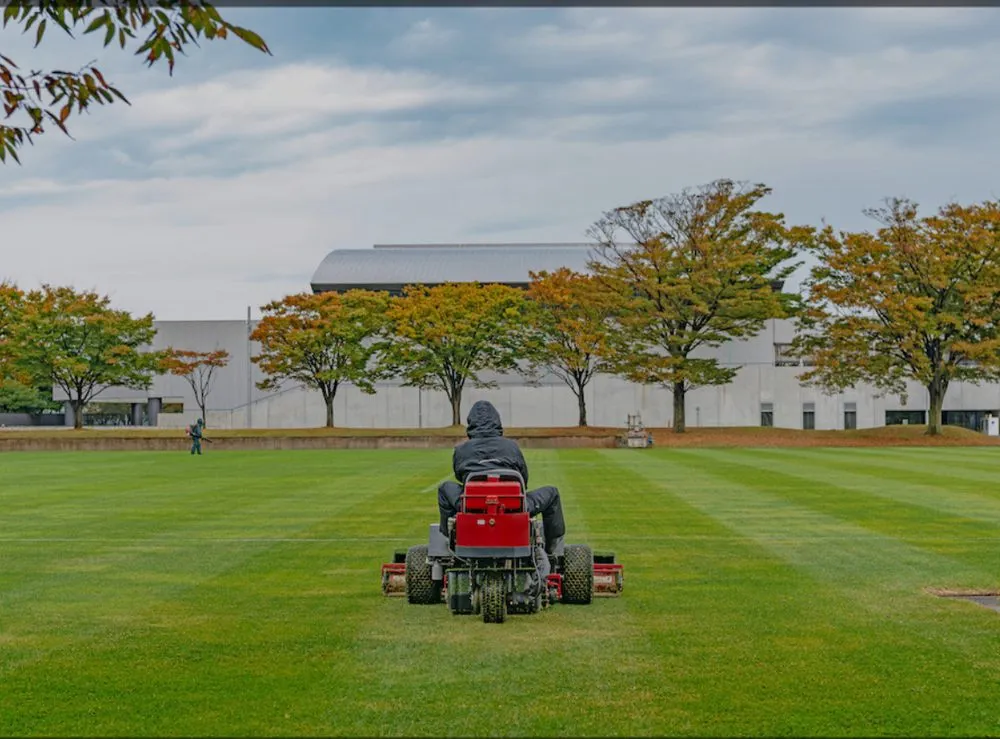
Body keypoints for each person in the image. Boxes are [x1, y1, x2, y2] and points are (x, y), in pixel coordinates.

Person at [437, 400, 565, 554]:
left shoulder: (461, 450)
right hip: (514, 506)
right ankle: (550, 548)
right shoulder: (511, 446)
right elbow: (523, 479)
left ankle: (450, 537)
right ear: (497, 422)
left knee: (444, 488)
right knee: (552, 493)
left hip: (471, 504)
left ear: (470, 424)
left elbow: (459, 476)